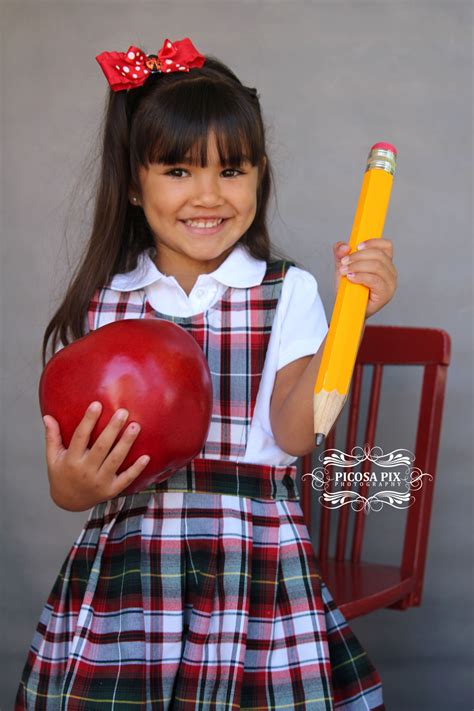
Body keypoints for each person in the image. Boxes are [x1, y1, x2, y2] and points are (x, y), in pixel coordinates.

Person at [15, 37, 397, 710]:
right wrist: (71, 486)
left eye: (233, 170)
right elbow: (75, 473)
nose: (209, 195)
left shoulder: (290, 291)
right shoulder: (106, 302)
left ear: (260, 175)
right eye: (179, 170)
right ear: (134, 184)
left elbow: (296, 428)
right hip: (131, 574)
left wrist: (351, 318)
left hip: (251, 563)